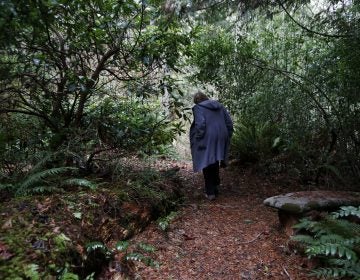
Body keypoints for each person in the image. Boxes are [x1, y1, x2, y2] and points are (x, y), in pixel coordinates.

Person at [190, 91, 233, 200]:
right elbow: (229, 122)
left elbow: (200, 124)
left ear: (197, 101)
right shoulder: (219, 106)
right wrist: (228, 135)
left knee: (206, 162)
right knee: (214, 160)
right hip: (222, 135)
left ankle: (210, 192)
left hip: (208, 136)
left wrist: (198, 138)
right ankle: (215, 185)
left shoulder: (198, 108)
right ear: (206, 98)